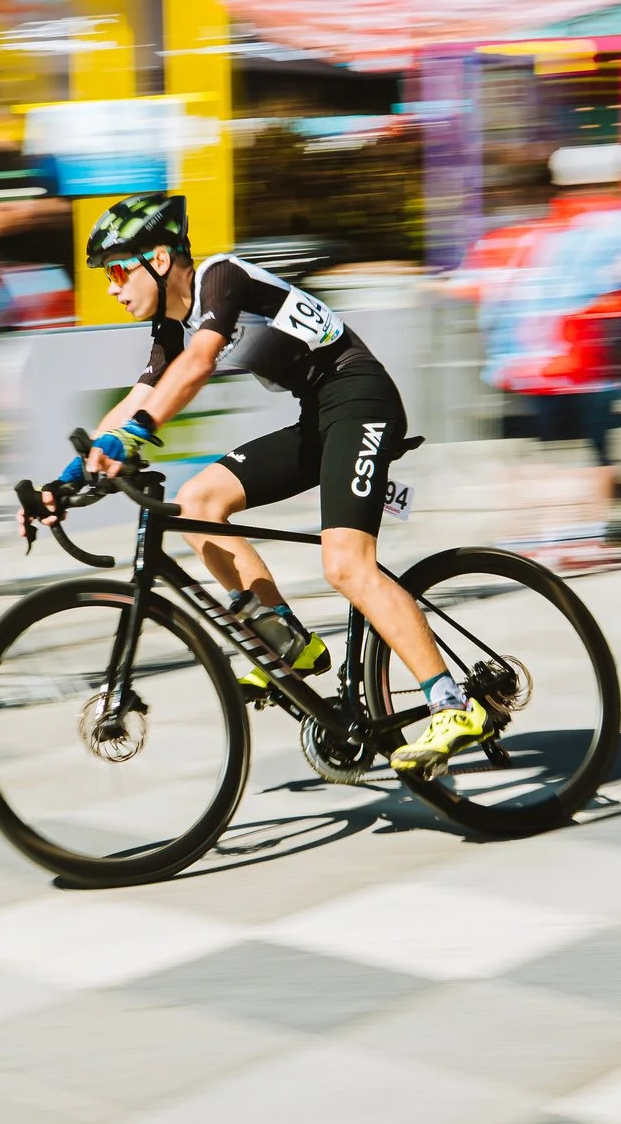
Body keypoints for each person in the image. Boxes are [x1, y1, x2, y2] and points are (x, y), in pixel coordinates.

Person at [25, 191, 496, 776]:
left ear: (162, 259)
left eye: (119, 269)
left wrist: (137, 436)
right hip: (317, 414)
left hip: (360, 397)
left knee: (346, 565)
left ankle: (451, 705)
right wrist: (68, 479)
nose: (112, 286)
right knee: (198, 501)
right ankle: (291, 646)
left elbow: (196, 366)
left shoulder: (220, 278)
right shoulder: (170, 323)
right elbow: (137, 398)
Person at [479, 144, 621, 562]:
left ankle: (532, 538)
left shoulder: (541, 229)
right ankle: (584, 536)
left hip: (524, 354)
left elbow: (497, 290)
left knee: (548, 448)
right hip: (582, 353)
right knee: (590, 450)